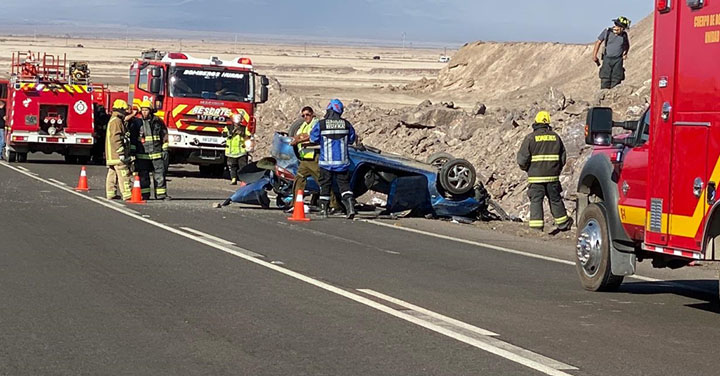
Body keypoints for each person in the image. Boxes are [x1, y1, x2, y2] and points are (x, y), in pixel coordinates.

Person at [517, 111, 572, 232]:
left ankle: (537, 228)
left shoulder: (530, 138)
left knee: (536, 201)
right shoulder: (556, 137)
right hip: (552, 177)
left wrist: (527, 169)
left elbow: (522, 159)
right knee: (555, 199)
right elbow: (563, 158)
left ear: (536, 122)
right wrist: (556, 170)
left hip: (536, 178)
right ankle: (563, 224)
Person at [309, 99, 357, 219]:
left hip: (326, 163)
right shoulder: (346, 124)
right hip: (342, 163)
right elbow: (352, 139)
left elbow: (313, 139)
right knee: (344, 186)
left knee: (325, 186)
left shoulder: (321, 124)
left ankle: (323, 210)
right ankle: (350, 207)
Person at [290, 106, 341, 213]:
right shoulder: (304, 125)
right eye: (303, 115)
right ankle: (295, 205)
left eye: (307, 115)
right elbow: (299, 135)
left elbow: (311, 136)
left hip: (314, 157)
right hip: (305, 158)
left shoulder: (316, 123)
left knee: (322, 181)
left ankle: (334, 204)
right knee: (298, 179)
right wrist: (297, 139)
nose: (305, 117)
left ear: (312, 114)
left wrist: (299, 140)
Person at [131, 100, 169, 200]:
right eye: (142, 110)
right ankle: (145, 195)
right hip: (142, 154)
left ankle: (161, 195)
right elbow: (133, 138)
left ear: (151, 111)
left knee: (159, 174)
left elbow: (164, 134)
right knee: (143, 175)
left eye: (146, 110)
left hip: (156, 153)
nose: (144, 112)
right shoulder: (137, 123)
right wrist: (133, 152)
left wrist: (165, 149)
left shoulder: (157, 121)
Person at [105, 100, 133, 201]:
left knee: (112, 173)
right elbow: (116, 138)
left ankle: (111, 193)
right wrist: (121, 152)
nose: (126, 113)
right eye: (125, 111)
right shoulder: (117, 121)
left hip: (111, 154)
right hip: (117, 154)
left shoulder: (114, 119)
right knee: (123, 172)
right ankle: (127, 194)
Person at [592, 16, 631, 89]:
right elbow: (598, 42)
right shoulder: (607, 32)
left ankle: (613, 97)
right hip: (607, 59)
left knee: (616, 79)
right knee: (605, 79)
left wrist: (625, 53)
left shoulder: (624, 35)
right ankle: (604, 97)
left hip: (618, 60)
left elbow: (627, 45)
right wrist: (594, 55)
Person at [223, 113, 252, 185]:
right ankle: (233, 179)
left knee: (243, 166)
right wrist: (231, 133)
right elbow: (224, 134)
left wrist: (242, 134)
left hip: (241, 151)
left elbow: (248, 136)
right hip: (231, 151)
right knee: (232, 166)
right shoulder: (228, 127)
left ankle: (243, 180)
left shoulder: (244, 128)